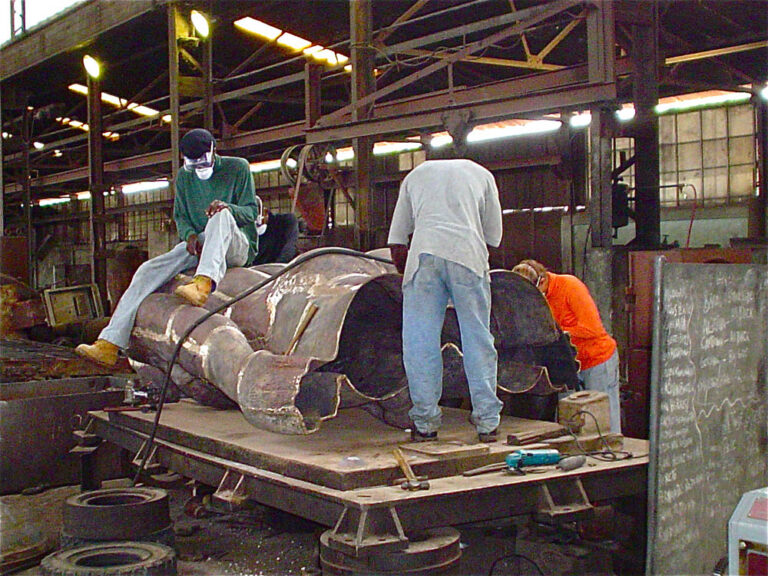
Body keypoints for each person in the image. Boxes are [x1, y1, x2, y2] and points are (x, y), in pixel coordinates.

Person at [76, 128, 261, 366]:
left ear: (214, 150)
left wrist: (228, 208)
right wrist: (190, 235)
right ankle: (109, 343)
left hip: (236, 245)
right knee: (147, 270)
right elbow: (181, 217)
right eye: (193, 164)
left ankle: (203, 284)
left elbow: (251, 212)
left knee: (221, 216)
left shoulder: (238, 168)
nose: (199, 168)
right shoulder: (184, 178)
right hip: (203, 243)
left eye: (203, 161)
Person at [387, 158, 504, 443]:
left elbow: (397, 239)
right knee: (477, 338)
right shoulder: (483, 173)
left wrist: (406, 277)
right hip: (468, 256)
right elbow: (494, 237)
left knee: (419, 342)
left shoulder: (415, 175)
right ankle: (487, 422)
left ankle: (425, 423)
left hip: (423, 256)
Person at [511, 259, 621, 433]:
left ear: (542, 280)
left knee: (604, 419)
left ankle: (612, 453)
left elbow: (591, 328)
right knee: (571, 419)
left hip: (596, 360)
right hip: (568, 363)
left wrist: (556, 333)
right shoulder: (536, 297)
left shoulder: (570, 286)